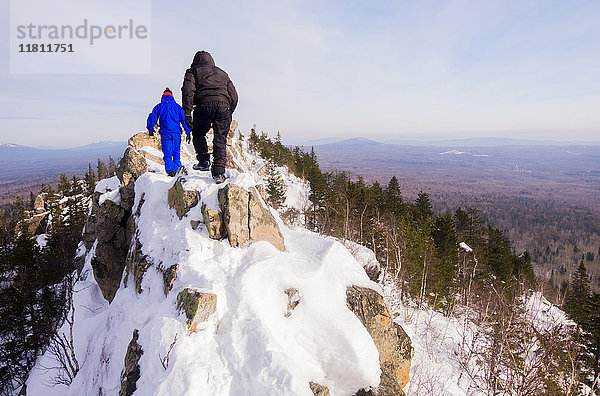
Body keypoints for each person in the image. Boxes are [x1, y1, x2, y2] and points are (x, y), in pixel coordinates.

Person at [181, 50, 238, 184]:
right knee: (220, 137)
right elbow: (234, 96)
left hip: (203, 105)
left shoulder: (193, 71)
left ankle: (203, 161)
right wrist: (229, 111)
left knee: (198, 132)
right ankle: (219, 173)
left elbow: (188, 92)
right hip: (224, 106)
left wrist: (187, 114)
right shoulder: (222, 73)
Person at [146, 88, 191, 177]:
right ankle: (177, 169)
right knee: (176, 153)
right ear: (172, 96)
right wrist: (188, 131)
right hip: (176, 134)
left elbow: (152, 117)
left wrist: (151, 129)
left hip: (165, 133)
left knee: (167, 153)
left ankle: (171, 171)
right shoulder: (178, 107)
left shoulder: (159, 106)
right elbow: (184, 120)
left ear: (163, 96)